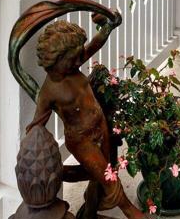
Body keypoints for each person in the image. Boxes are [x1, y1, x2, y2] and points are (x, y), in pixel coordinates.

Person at [27, 13, 144, 219]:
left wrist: (108, 27)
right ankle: (133, 213)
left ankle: (88, 207)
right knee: (110, 180)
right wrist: (34, 156)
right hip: (82, 141)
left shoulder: (72, 67)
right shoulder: (49, 91)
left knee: (102, 173)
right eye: (73, 58)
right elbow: (37, 124)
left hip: (101, 126)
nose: (78, 60)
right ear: (55, 59)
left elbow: (94, 45)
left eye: (79, 56)